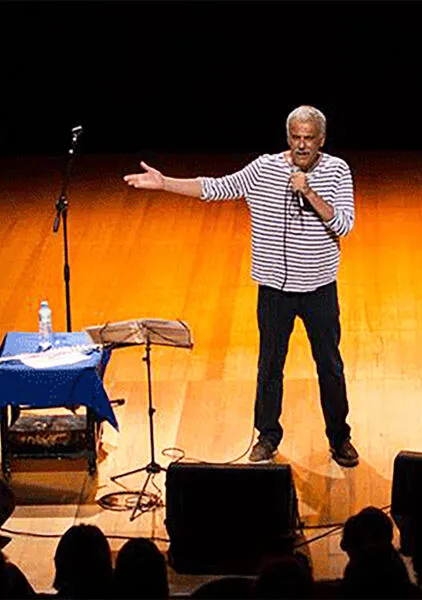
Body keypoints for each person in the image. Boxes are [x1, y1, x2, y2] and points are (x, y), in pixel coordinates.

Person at [124, 105, 359, 467]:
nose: (300, 145)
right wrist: (165, 183)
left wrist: (309, 193)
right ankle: (267, 436)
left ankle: (339, 438)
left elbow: (343, 225)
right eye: (295, 137)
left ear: (321, 140)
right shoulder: (264, 168)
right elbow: (216, 187)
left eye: (308, 139)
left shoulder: (338, 171)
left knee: (329, 365)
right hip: (274, 290)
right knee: (269, 366)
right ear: (287, 137)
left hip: (319, 290)